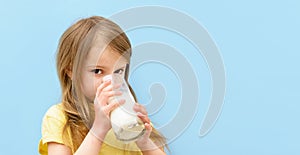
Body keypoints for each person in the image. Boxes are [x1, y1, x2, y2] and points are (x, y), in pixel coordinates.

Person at [38, 16, 167, 155]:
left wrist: (144, 141)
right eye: (98, 71)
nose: (110, 82)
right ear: (71, 71)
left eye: (118, 71)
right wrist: (98, 130)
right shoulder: (59, 118)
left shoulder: (131, 118)